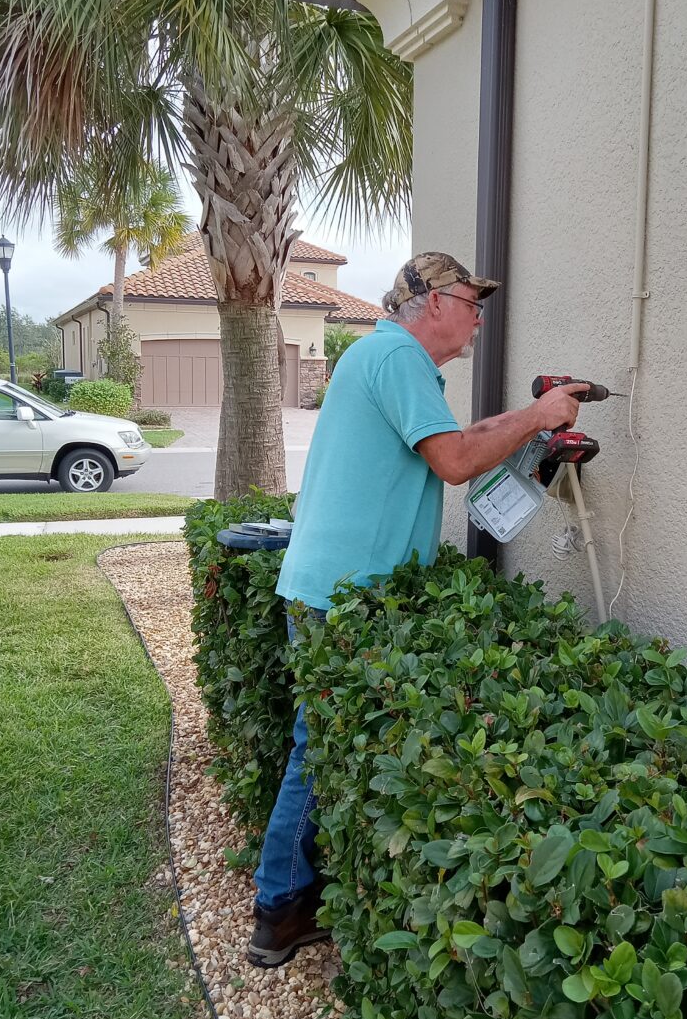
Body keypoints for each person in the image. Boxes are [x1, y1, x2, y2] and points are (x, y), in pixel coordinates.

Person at [247, 251, 588, 967]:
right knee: (317, 748)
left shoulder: (385, 358)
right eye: (471, 299)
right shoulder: (397, 358)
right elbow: (457, 460)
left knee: (322, 743)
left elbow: (457, 439)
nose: (479, 315)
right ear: (432, 301)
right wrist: (538, 414)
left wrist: (530, 420)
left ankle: (295, 896)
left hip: (325, 587)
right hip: (341, 596)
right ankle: (277, 910)